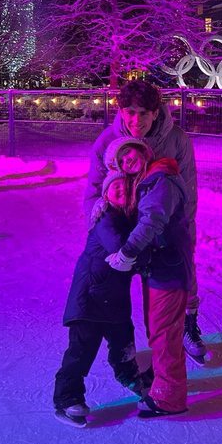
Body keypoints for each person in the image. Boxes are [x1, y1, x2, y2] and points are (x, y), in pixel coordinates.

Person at [84, 80, 206, 363]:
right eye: (129, 111)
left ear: (155, 112)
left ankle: (186, 326)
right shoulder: (107, 141)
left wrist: (185, 233)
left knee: (176, 279)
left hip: (161, 226)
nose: (135, 119)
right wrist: (102, 233)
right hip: (121, 226)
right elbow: (92, 192)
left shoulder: (176, 140)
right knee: (110, 287)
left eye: (143, 113)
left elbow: (188, 190)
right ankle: (121, 344)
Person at [53, 171, 152, 428]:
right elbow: (121, 248)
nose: (120, 190)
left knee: (124, 343)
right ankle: (67, 398)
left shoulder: (127, 219)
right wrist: (146, 259)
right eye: (115, 187)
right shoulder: (106, 218)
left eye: (125, 187)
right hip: (89, 299)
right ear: (106, 193)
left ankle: (132, 377)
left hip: (114, 301)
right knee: (82, 351)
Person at [104, 139, 192, 418]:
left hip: (168, 266)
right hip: (158, 265)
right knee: (159, 330)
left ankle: (169, 398)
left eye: (127, 153)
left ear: (142, 150)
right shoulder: (149, 180)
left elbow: (153, 220)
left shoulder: (160, 179)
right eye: (121, 161)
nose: (127, 161)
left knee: (164, 332)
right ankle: (167, 382)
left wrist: (127, 252)